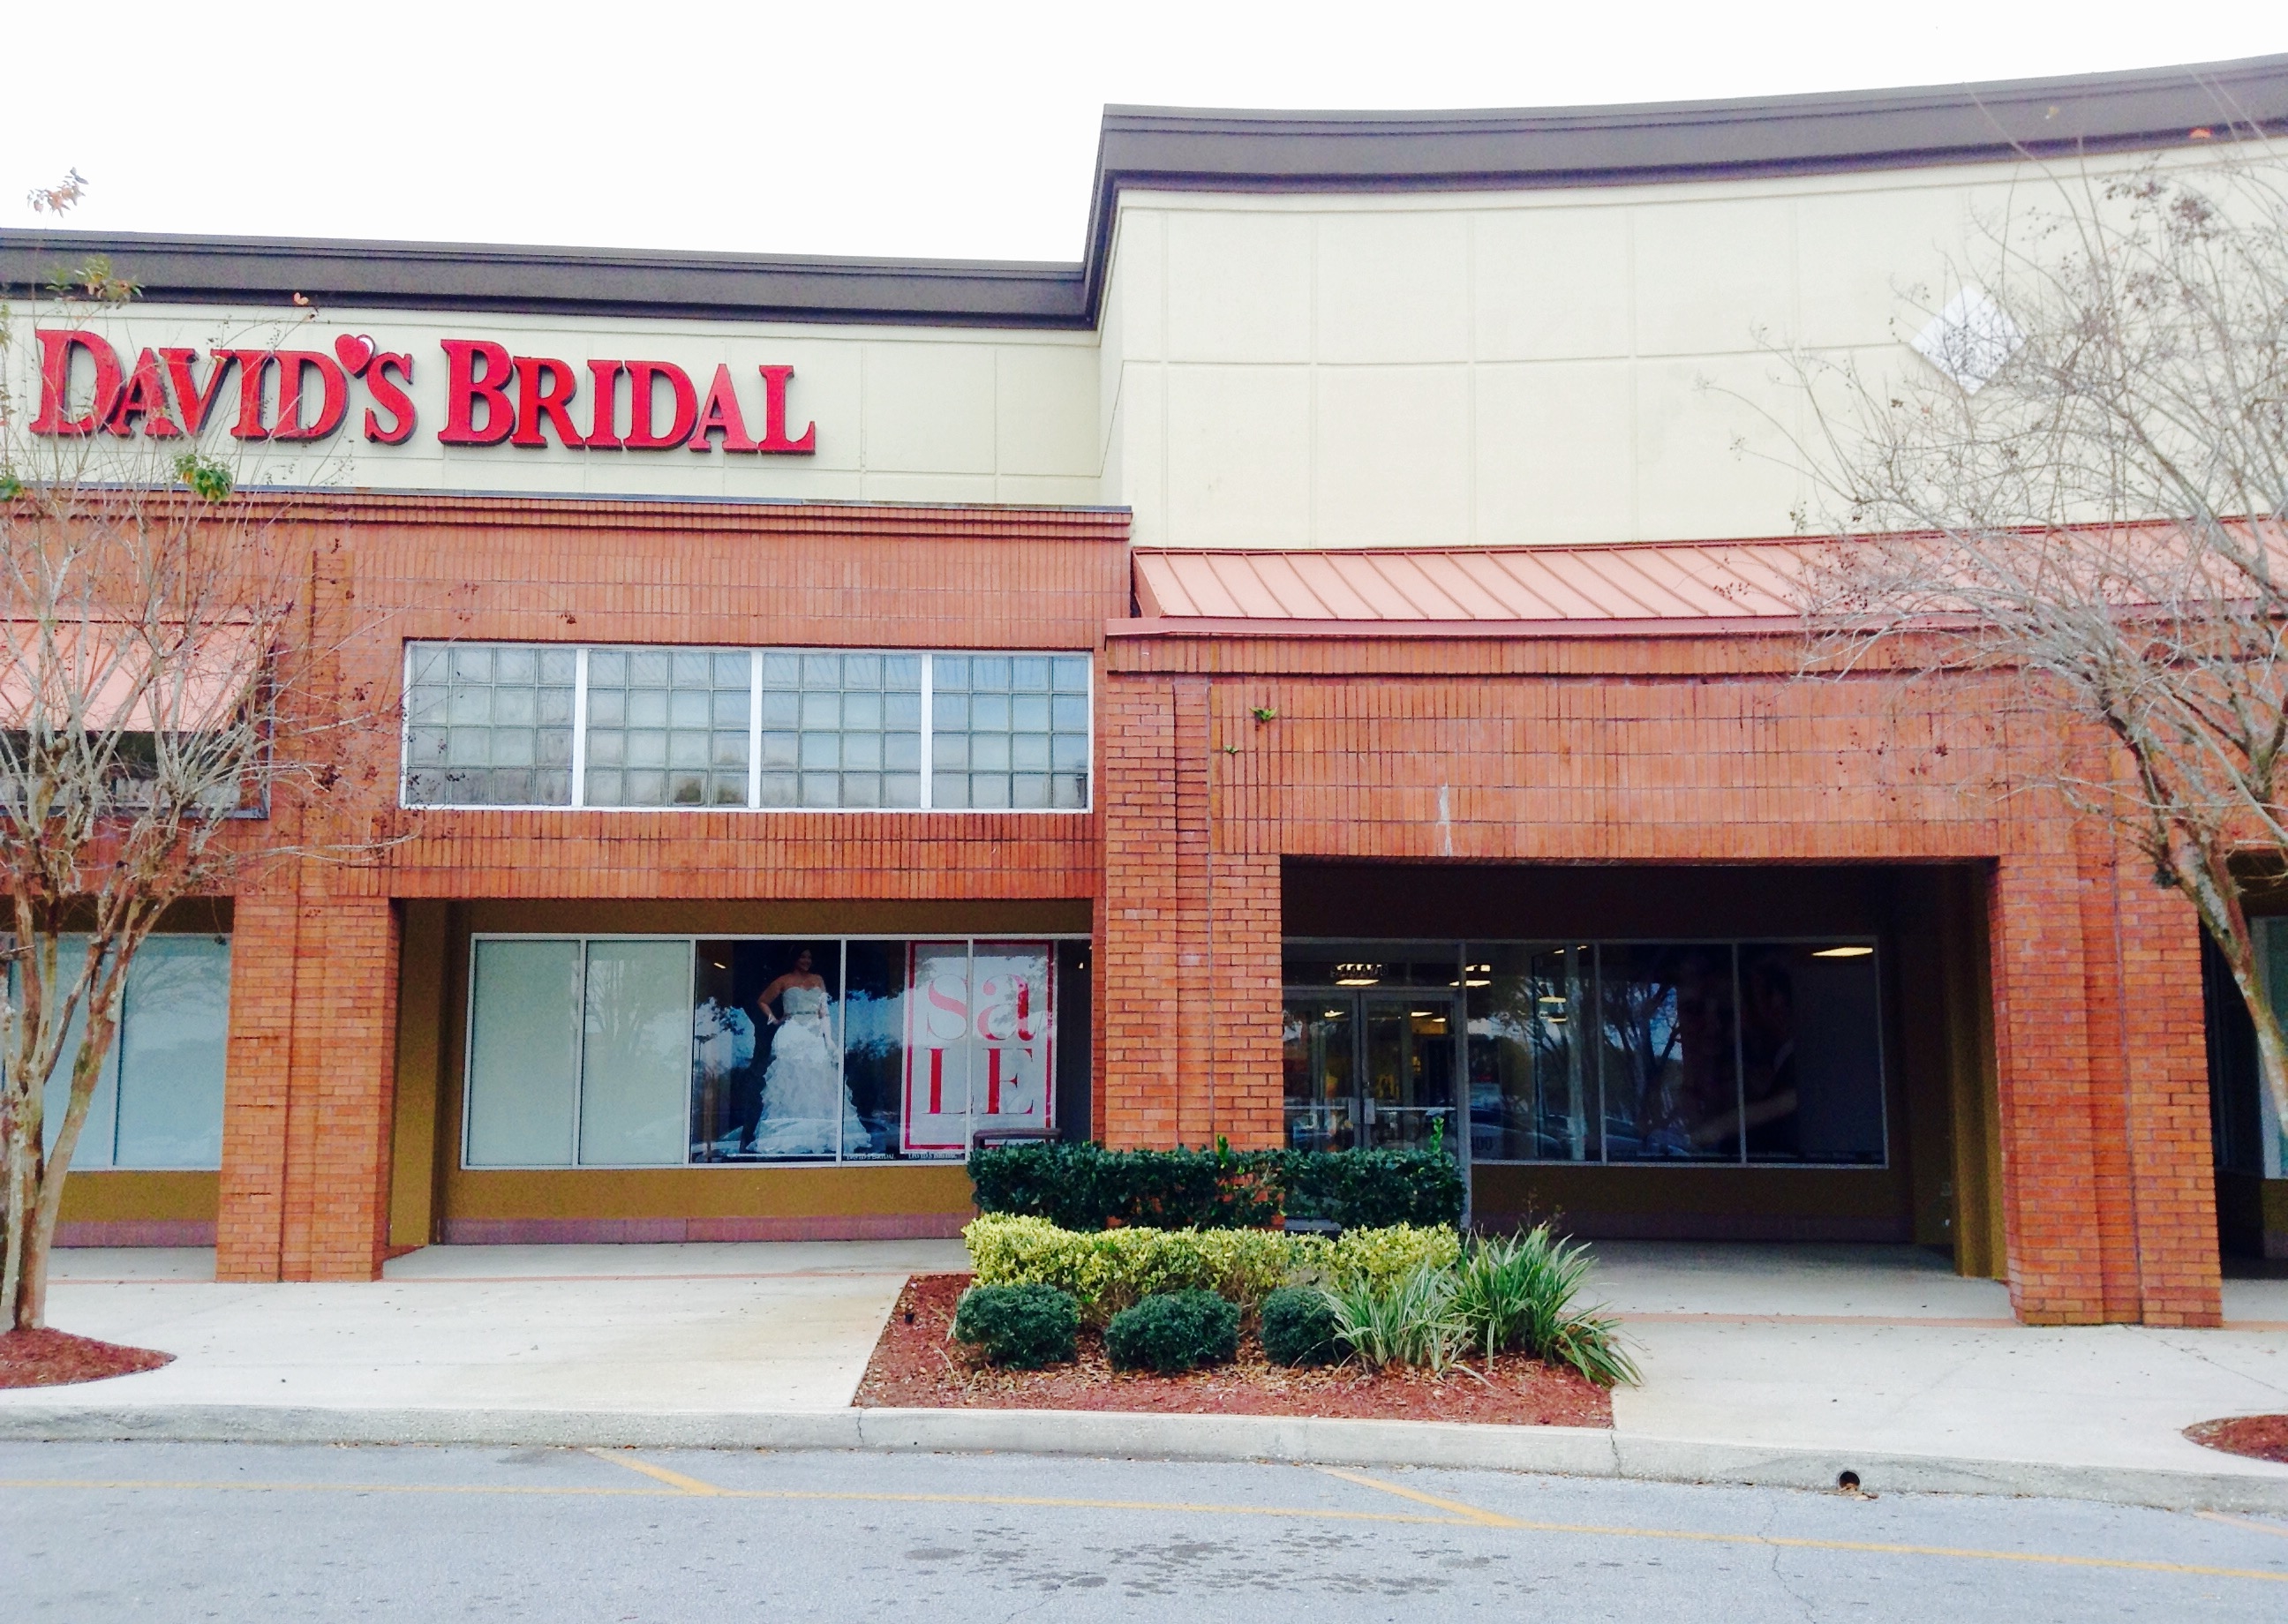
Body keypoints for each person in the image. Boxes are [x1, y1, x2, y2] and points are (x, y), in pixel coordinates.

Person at [750, 948, 869, 1155]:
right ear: (794, 958)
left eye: (809, 957)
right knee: (792, 1082)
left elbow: (824, 1012)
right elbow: (762, 1001)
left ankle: (821, 1136)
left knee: (820, 1081)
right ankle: (789, 1138)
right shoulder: (783, 980)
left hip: (814, 1032)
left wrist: (829, 1040)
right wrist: (774, 1020)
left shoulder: (818, 979)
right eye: (802, 957)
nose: (806, 960)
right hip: (792, 1031)